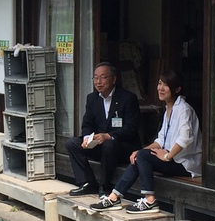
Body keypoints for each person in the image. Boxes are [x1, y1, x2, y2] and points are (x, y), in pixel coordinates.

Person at [89, 69, 202, 213]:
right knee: (139, 155)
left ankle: (150, 200)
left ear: (177, 89)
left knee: (142, 157)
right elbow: (161, 139)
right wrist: (142, 150)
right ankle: (114, 197)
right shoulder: (169, 108)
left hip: (185, 163)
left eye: (166, 85)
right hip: (172, 158)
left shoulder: (183, 109)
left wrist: (167, 156)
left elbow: (185, 138)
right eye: (160, 83)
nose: (160, 88)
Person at [66, 62, 141, 197]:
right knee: (72, 143)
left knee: (109, 144)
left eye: (103, 77)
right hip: (99, 145)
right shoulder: (92, 98)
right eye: (95, 78)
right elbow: (87, 123)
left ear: (114, 79)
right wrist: (87, 138)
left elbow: (131, 128)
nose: (98, 82)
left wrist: (108, 136)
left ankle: (105, 186)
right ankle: (88, 182)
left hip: (122, 146)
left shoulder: (128, 98)